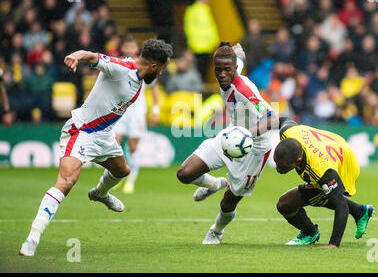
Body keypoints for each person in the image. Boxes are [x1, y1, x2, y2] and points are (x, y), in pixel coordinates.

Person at [19, 38, 173, 256]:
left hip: (104, 136)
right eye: (162, 70)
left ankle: (100, 194)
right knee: (66, 182)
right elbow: (92, 56)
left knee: (122, 171)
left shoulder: (138, 77)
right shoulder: (121, 68)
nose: (160, 74)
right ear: (155, 67)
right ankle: (32, 238)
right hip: (81, 131)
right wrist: (76, 56)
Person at [176, 42, 279, 244]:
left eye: (227, 70)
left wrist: (245, 134)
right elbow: (239, 54)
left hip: (255, 149)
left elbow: (273, 119)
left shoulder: (243, 90)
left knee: (228, 202)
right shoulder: (232, 64)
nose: (222, 74)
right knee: (185, 174)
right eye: (218, 70)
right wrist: (234, 47)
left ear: (235, 70)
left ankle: (216, 231)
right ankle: (215, 184)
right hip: (230, 136)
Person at [273, 117, 374, 248]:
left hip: (345, 163)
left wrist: (333, 244)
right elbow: (283, 119)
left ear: (298, 161)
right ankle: (360, 211)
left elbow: (341, 206)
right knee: (312, 196)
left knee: (286, 204)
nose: (277, 169)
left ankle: (310, 233)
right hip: (329, 144)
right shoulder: (288, 132)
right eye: (275, 162)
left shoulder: (321, 171)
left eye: (282, 165)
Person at [113, 37, 161, 194]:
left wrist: (155, 110)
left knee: (133, 145)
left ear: (136, 48)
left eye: (132, 45)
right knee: (114, 143)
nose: (129, 48)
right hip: (121, 109)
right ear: (123, 48)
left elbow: (154, 88)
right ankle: (117, 175)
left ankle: (131, 180)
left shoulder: (145, 65)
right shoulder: (119, 63)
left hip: (137, 111)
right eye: (126, 45)